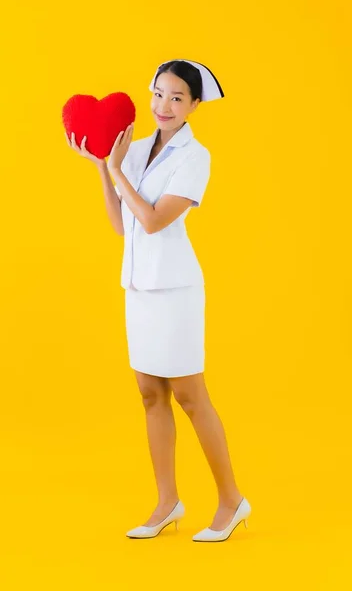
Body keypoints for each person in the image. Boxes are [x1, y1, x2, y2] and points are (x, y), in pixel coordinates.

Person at [65, 59, 251, 542]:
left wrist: (113, 166)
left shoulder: (196, 157)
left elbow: (151, 221)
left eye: (175, 98)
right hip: (138, 287)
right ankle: (167, 502)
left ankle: (231, 500)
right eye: (158, 93)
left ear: (192, 106)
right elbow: (121, 226)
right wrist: (103, 170)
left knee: (191, 396)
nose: (162, 105)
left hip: (175, 290)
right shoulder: (135, 148)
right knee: (150, 393)